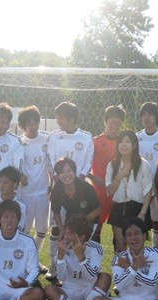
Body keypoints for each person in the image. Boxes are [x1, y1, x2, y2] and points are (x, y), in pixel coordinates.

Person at [46, 102, 94, 276]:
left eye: (61, 117)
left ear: (72, 118)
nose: (58, 121)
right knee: (56, 227)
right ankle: (53, 264)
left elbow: (89, 159)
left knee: (76, 226)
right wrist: (58, 178)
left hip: (78, 189)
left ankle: (76, 265)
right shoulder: (54, 136)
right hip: (59, 187)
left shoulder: (86, 136)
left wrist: (79, 178)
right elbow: (50, 159)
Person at [44, 214, 110, 300]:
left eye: (70, 234)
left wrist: (81, 257)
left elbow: (90, 276)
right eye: (66, 232)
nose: (65, 237)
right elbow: (62, 278)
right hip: (69, 291)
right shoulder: (61, 247)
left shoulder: (95, 248)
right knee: (49, 289)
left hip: (90, 290)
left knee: (105, 277)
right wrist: (60, 257)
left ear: (82, 236)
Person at [49, 158, 101, 274]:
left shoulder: (86, 187)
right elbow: (56, 213)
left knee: (86, 246)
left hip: (90, 220)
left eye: (69, 171)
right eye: (62, 172)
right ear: (58, 175)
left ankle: (93, 270)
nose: (66, 175)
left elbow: (98, 210)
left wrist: (81, 222)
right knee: (68, 246)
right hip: (71, 221)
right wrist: (62, 230)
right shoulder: (56, 190)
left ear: (74, 171)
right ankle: (67, 272)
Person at [106, 130, 152, 252]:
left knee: (137, 247)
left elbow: (148, 190)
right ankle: (121, 265)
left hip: (138, 208)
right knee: (120, 247)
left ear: (134, 145)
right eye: (121, 142)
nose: (124, 145)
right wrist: (120, 176)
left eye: (128, 141)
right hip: (119, 208)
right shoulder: (112, 165)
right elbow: (109, 191)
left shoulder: (143, 164)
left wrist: (142, 213)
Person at [136, 101, 158, 249]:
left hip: (157, 185)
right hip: (139, 184)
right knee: (139, 217)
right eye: (144, 115)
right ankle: (139, 251)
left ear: (156, 117)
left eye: (150, 114)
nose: (147, 118)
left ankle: (156, 250)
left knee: (156, 221)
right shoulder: (137, 137)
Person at [88, 105, 126, 243]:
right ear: (105, 121)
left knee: (119, 228)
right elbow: (85, 165)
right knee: (97, 226)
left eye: (118, 124)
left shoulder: (124, 142)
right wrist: (92, 177)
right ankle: (94, 254)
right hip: (99, 191)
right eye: (112, 123)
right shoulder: (95, 142)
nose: (114, 127)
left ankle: (120, 255)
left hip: (118, 190)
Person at [17, 105, 51, 251]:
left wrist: (52, 182)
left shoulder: (47, 139)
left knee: (43, 228)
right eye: (29, 123)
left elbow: (52, 162)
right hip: (25, 193)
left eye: (35, 122)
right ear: (23, 125)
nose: (32, 126)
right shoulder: (18, 142)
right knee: (24, 228)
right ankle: (23, 257)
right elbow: (14, 164)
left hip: (43, 192)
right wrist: (20, 176)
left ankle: (34, 256)